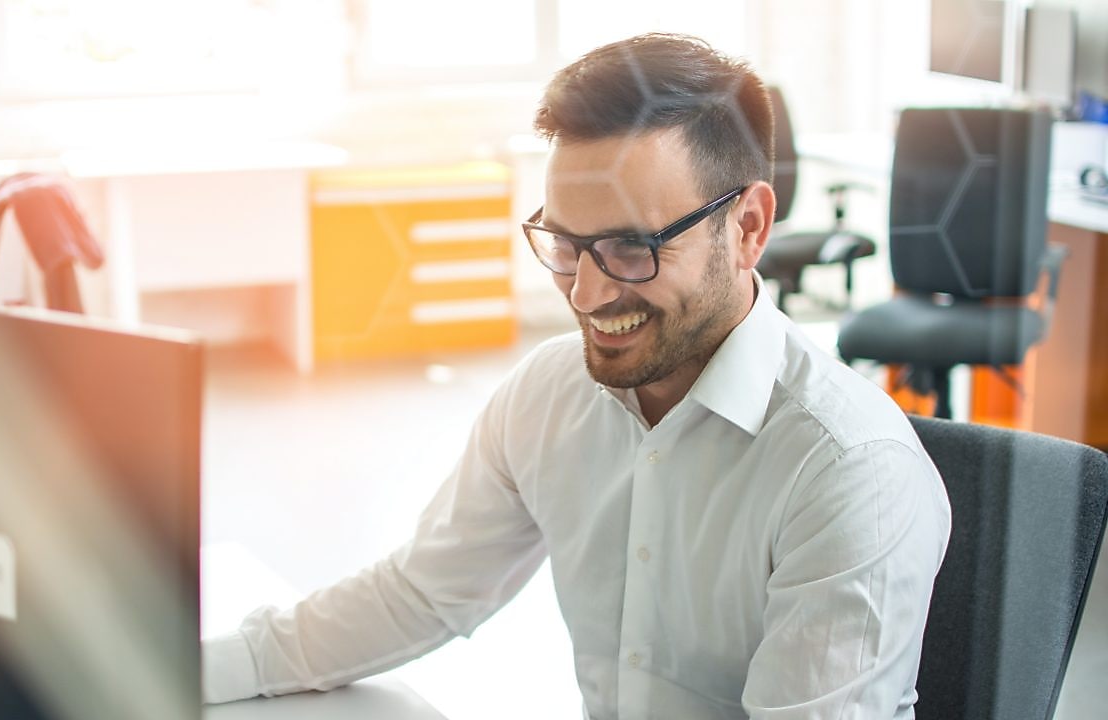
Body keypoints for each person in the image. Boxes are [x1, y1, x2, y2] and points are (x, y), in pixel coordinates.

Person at [203, 33, 952, 719]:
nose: (587, 295)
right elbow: (419, 594)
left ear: (749, 227)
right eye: (565, 243)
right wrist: (179, 669)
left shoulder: (850, 474)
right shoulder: (549, 393)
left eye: (632, 247)